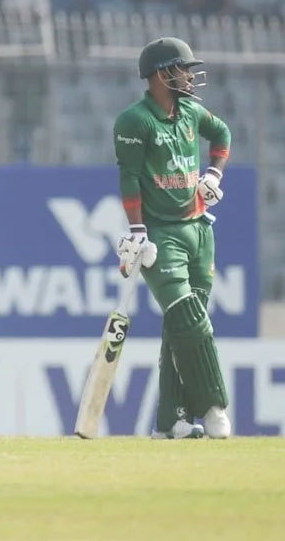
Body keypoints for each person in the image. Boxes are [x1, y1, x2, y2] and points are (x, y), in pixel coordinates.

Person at [113, 37, 232, 440]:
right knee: (188, 318)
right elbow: (129, 178)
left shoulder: (191, 112)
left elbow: (222, 134)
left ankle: (171, 421)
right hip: (161, 234)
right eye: (183, 69)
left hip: (199, 229)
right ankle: (213, 405)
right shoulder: (134, 121)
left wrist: (213, 174)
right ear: (162, 74)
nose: (190, 77)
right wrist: (137, 230)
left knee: (179, 329)